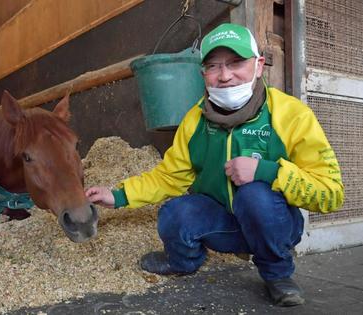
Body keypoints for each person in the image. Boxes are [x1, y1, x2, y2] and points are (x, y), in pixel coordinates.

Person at [85, 23, 344, 307]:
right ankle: (184, 262)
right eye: (213, 66)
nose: (224, 76)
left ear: (258, 66)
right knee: (174, 213)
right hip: (224, 227)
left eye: (236, 63)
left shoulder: (292, 115)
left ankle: (277, 274)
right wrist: (118, 196)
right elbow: (168, 176)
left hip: (274, 225)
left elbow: (331, 193)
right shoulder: (195, 120)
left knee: (254, 195)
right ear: (202, 74)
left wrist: (267, 171)